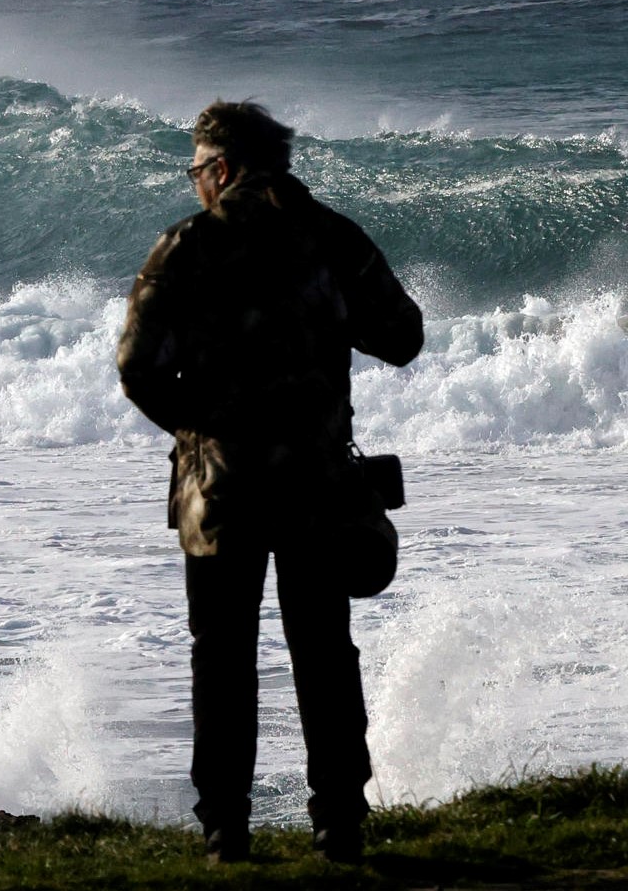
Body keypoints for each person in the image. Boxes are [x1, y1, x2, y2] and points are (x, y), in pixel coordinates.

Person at [115, 102, 422, 865]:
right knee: (323, 650)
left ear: (222, 168)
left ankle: (225, 828)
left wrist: (200, 428)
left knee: (222, 655)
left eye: (196, 170)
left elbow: (136, 365)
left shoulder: (190, 244)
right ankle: (339, 822)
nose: (194, 185)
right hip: (316, 485)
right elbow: (402, 336)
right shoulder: (331, 236)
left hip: (219, 493)